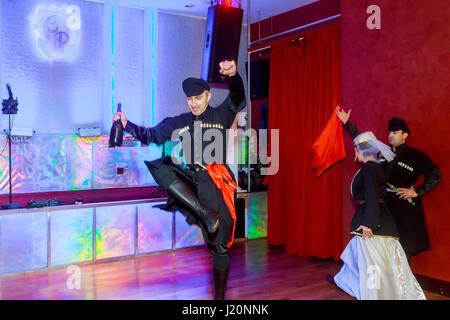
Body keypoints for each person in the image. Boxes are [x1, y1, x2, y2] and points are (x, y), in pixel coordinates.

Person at [113, 60, 246, 300]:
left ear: (208, 95)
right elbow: (151, 134)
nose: (194, 103)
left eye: (198, 98)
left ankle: (218, 301)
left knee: (219, 247)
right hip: (190, 178)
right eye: (190, 99)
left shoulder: (220, 114)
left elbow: (237, 96)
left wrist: (234, 76)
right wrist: (126, 124)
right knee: (161, 166)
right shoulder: (179, 122)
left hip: (214, 181)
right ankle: (205, 214)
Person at [336, 107, 441, 263]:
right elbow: (364, 142)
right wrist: (347, 123)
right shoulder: (382, 152)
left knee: (404, 247)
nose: (390, 135)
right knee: (383, 245)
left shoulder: (417, 156)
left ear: (405, 135)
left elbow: (435, 175)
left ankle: (403, 285)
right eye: (389, 133)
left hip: (405, 209)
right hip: (384, 207)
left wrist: (417, 192)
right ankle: (385, 284)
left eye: (395, 132)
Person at [330, 131, 425, 299]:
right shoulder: (377, 166)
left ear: (359, 150)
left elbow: (372, 195)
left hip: (373, 219)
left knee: (373, 263)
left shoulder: (369, 168)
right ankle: (345, 281)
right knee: (363, 256)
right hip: (380, 217)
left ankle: (376, 295)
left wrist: (369, 224)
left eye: (355, 149)